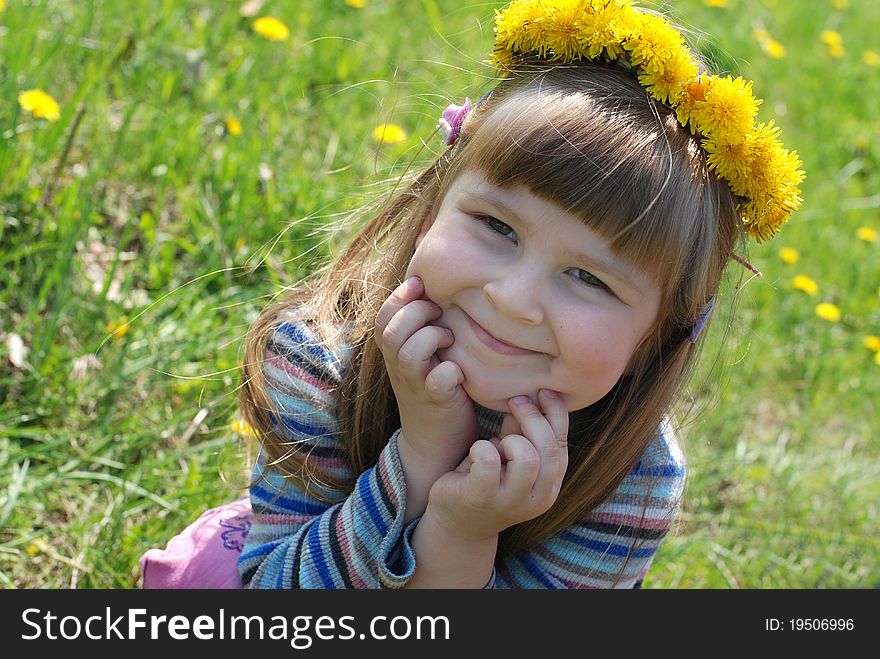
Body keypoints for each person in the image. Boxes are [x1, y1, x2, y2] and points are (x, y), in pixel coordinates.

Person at [140, 0, 803, 589]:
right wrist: (420, 460)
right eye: (496, 226)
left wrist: (462, 531)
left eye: (589, 278)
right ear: (433, 208)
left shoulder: (628, 482)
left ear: (655, 335)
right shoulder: (318, 360)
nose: (513, 298)